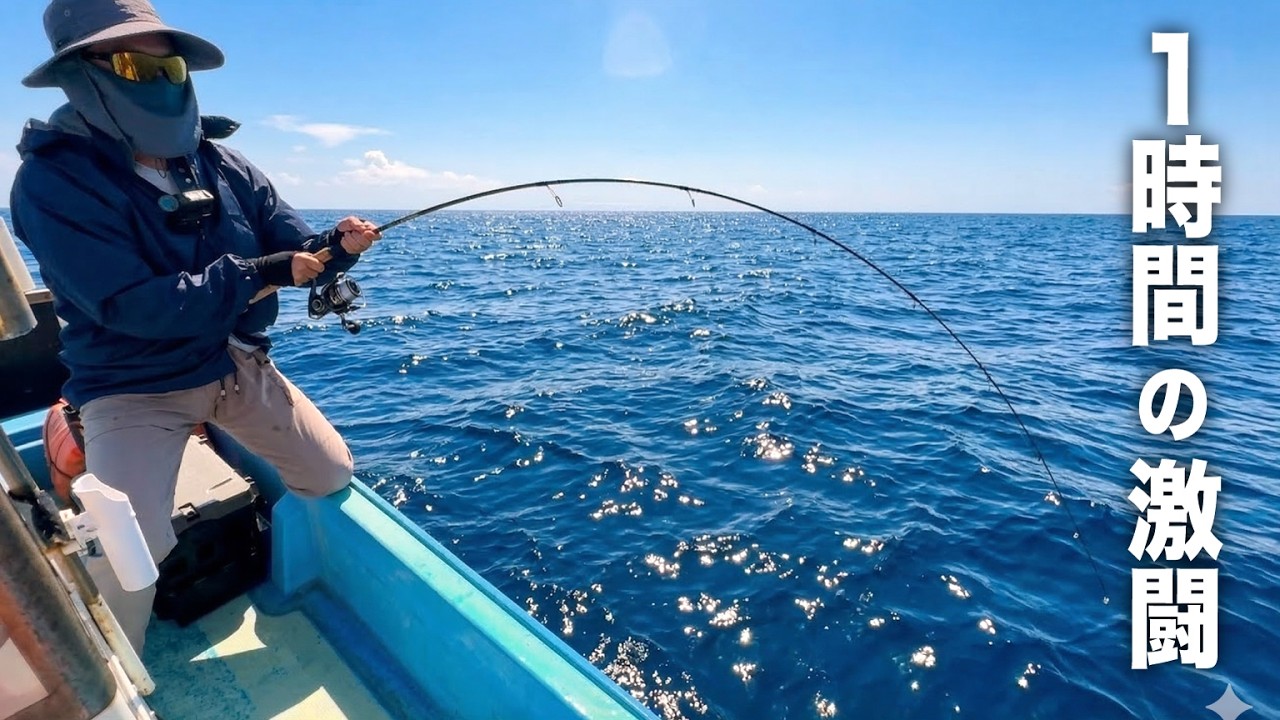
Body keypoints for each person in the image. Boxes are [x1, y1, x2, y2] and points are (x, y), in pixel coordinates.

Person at [10, 0, 380, 654]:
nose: (161, 81)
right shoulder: (50, 182)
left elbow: (293, 247)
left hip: (235, 362)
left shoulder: (226, 164)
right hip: (134, 384)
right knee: (131, 549)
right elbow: (130, 304)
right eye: (135, 66)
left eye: (171, 67)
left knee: (329, 475)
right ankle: (116, 674)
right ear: (81, 75)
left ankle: (206, 438)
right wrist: (260, 273)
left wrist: (335, 247)